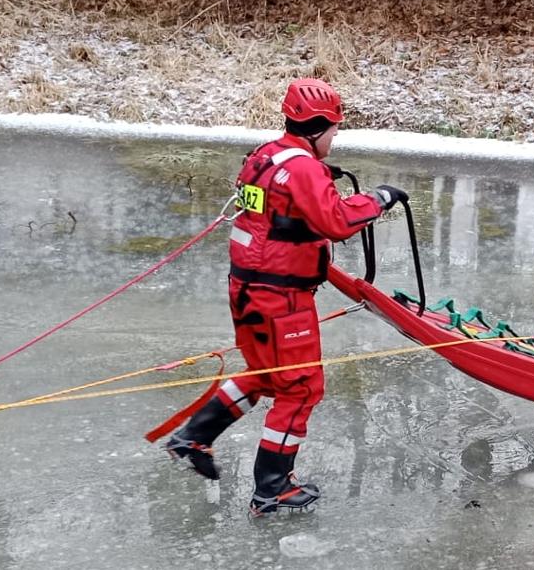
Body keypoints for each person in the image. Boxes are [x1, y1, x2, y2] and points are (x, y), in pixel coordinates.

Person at [162, 78, 408, 515]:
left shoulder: (264, 156)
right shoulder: (302, 169)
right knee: (301, 389)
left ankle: (192, 438)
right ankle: (272, 487)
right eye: (335, 130)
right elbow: (336, 222)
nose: (335, 138)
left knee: (264, 374)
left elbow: (278, 213)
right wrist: (378, 200)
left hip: (247, 289)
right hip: (281, 299)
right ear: (319, 127)